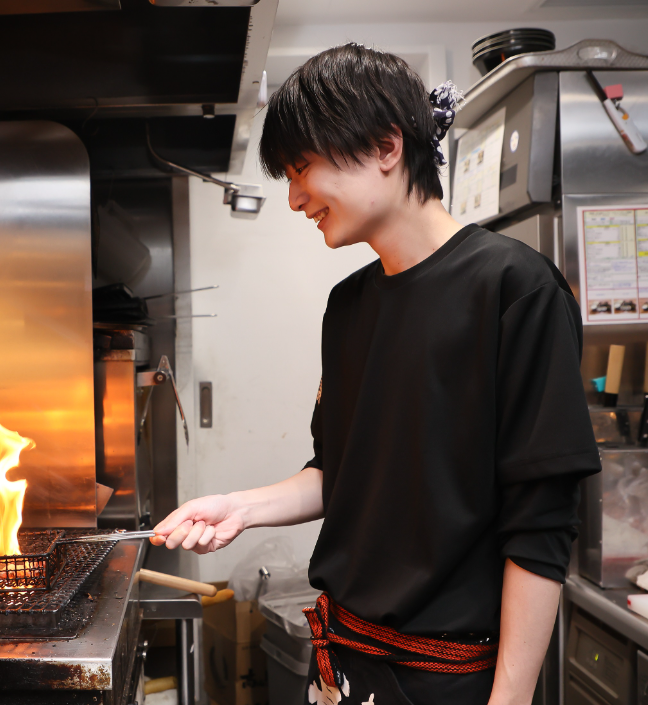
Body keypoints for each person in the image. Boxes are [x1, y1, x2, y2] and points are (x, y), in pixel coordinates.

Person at [150, 44, 600, 705]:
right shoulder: (349, 306)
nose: (295, 198)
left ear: (387, 146)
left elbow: (541, 524)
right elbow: (339, 473)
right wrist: (238, 508)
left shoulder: (515, 288)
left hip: (450, 680)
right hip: (340, 667)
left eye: (302, 169)